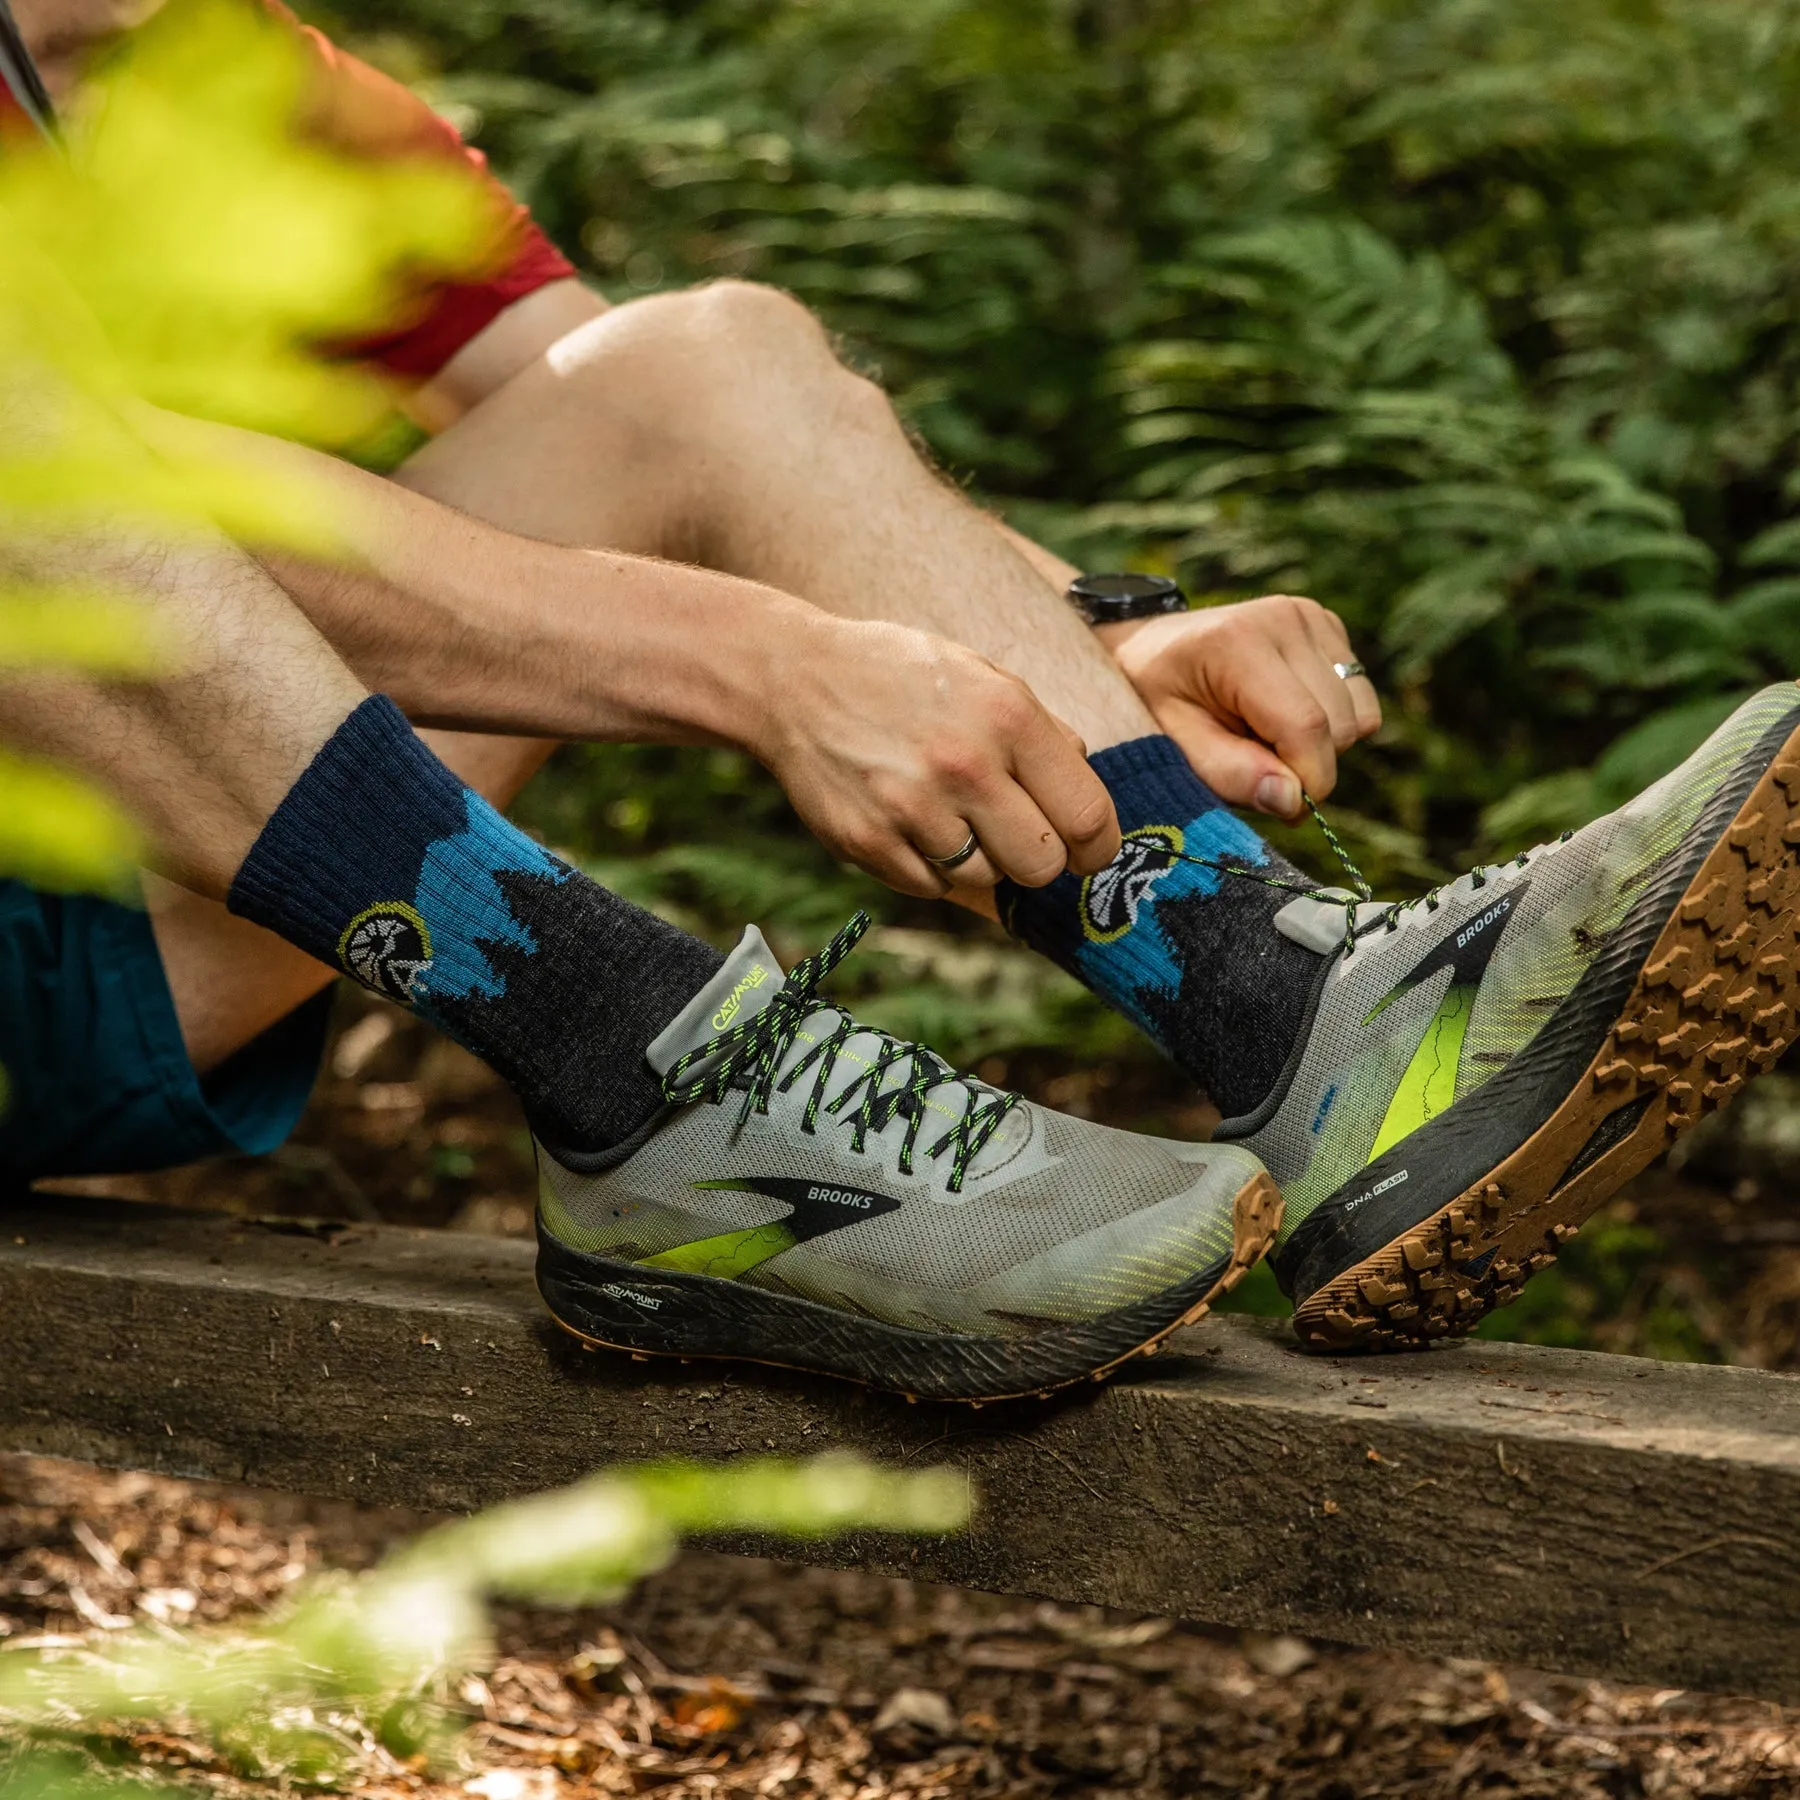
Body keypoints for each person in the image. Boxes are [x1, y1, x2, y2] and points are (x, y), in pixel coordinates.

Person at [3, 0, 1798, 1397]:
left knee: (712, 359)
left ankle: (1296, 1011)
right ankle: (643, 1064)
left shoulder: (249, 90)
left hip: (125, 925)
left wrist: (1085, 639)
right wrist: (760, 663)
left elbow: (682, 441)